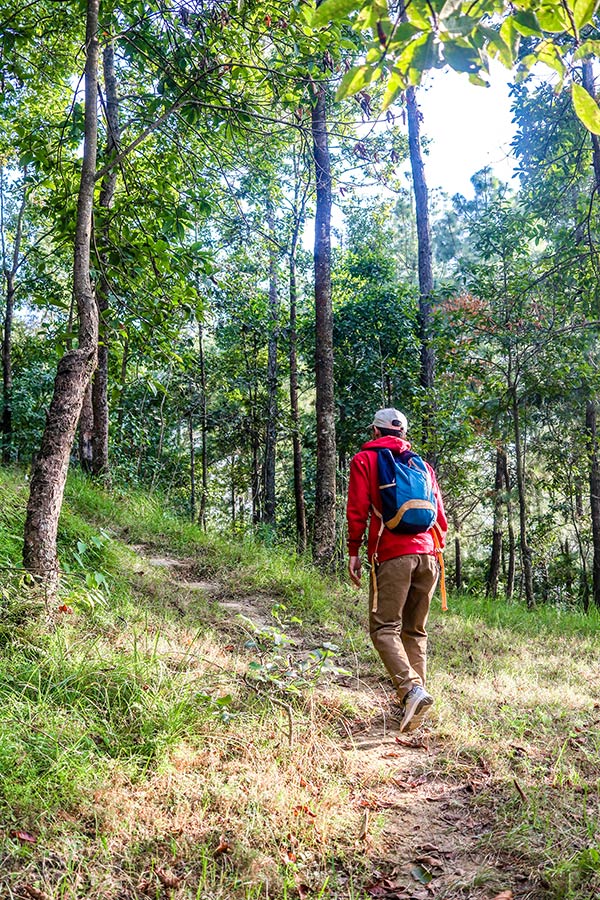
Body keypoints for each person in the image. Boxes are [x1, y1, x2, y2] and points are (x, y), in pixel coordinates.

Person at [346, 408, 447, 733]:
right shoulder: (423, 466)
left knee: (384, 628)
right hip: (429, 556)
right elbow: (441, 518)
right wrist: (431, 551)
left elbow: (358, 509)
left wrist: (354, 551)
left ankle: (412, 690)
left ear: (375, 432)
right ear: (404, 435)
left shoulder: (365, 460)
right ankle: (413, 704)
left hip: (391, 555)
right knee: (415, 631)